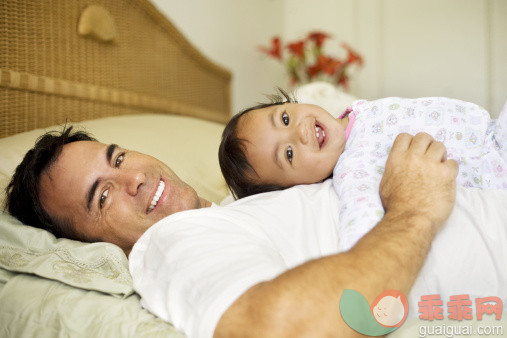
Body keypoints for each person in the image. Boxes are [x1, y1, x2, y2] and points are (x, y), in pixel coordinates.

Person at [5, 126, 504, 338]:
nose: (132, 177)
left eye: (117, 157)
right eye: (102, 196)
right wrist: (413, 210)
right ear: (84, 243)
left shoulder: (228, 208)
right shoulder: (171, 244)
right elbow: (277, 329)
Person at [219, 91, 507, 250]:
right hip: (493, 170)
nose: (300, 132)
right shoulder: (353, 167)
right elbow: (361, 224)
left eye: (284, 118)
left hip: (492, 131)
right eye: (289, 154)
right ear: (299, 186)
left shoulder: (355, 113)